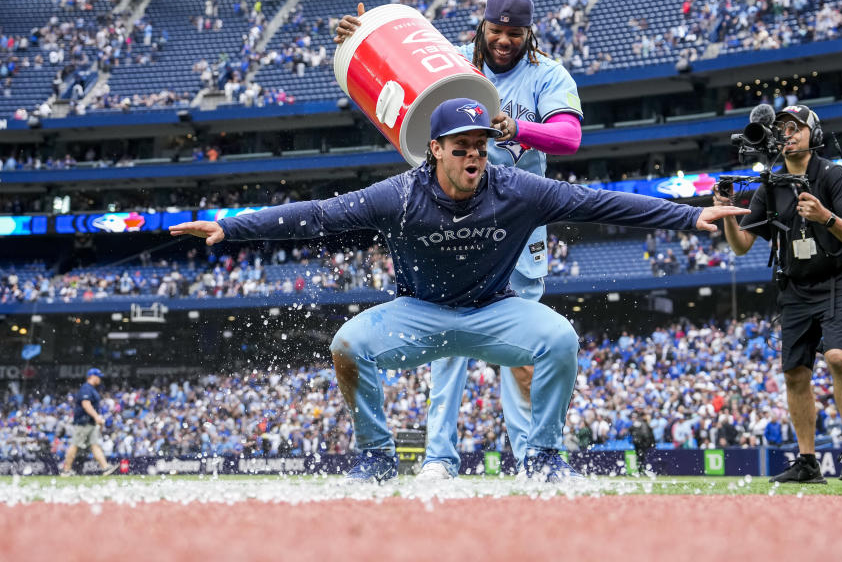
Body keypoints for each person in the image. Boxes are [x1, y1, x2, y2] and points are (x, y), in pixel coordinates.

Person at [171, 98, 746, 483]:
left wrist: (685, 216)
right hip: (418, 312)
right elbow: (320, 214)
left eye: (480, 144)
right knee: (347, 345)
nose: (475, 154)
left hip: (495, 312)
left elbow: (600, 202)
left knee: (560, 338)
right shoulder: (398, 194)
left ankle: (543, 456)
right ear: (436, 150)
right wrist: (233, 225)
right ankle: (376, 456)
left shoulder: (519, 188)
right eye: (461, 145)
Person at [335, 0, 584, 480]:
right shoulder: (451, 64)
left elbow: (570, 138)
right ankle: (439, 458)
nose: (505, 41)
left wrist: (518, 129)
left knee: (522, 350)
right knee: (447, 334)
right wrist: (361, 37)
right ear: (482, 27)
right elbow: (395, 82)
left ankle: (530, 459)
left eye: (515, 33)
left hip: (517, 227)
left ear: (529, 32)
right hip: (454, 222)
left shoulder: (547, 74)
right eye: (497, 31)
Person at [715, 104, 842, 483]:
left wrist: (825, 217)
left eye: (796, 127)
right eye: (782, 127)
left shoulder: (834, 176)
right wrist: (728, 214)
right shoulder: (771, 182)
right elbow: (741, 245)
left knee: (836, 356)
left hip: (839, 278)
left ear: (813, 134)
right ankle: (807, 462)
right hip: (796, 285)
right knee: (794, 374)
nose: (788, 133)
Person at [61, 368, 118, 476]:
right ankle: (66, 470)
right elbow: (86, 404)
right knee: (75, 445)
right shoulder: (86, 388)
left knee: (94, 445)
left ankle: (105, 468)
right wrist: (96, 417)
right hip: (84, 422)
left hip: (90, 422)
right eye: (98, 376)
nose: (100, 378)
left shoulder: (91, 389)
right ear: (92, 376)